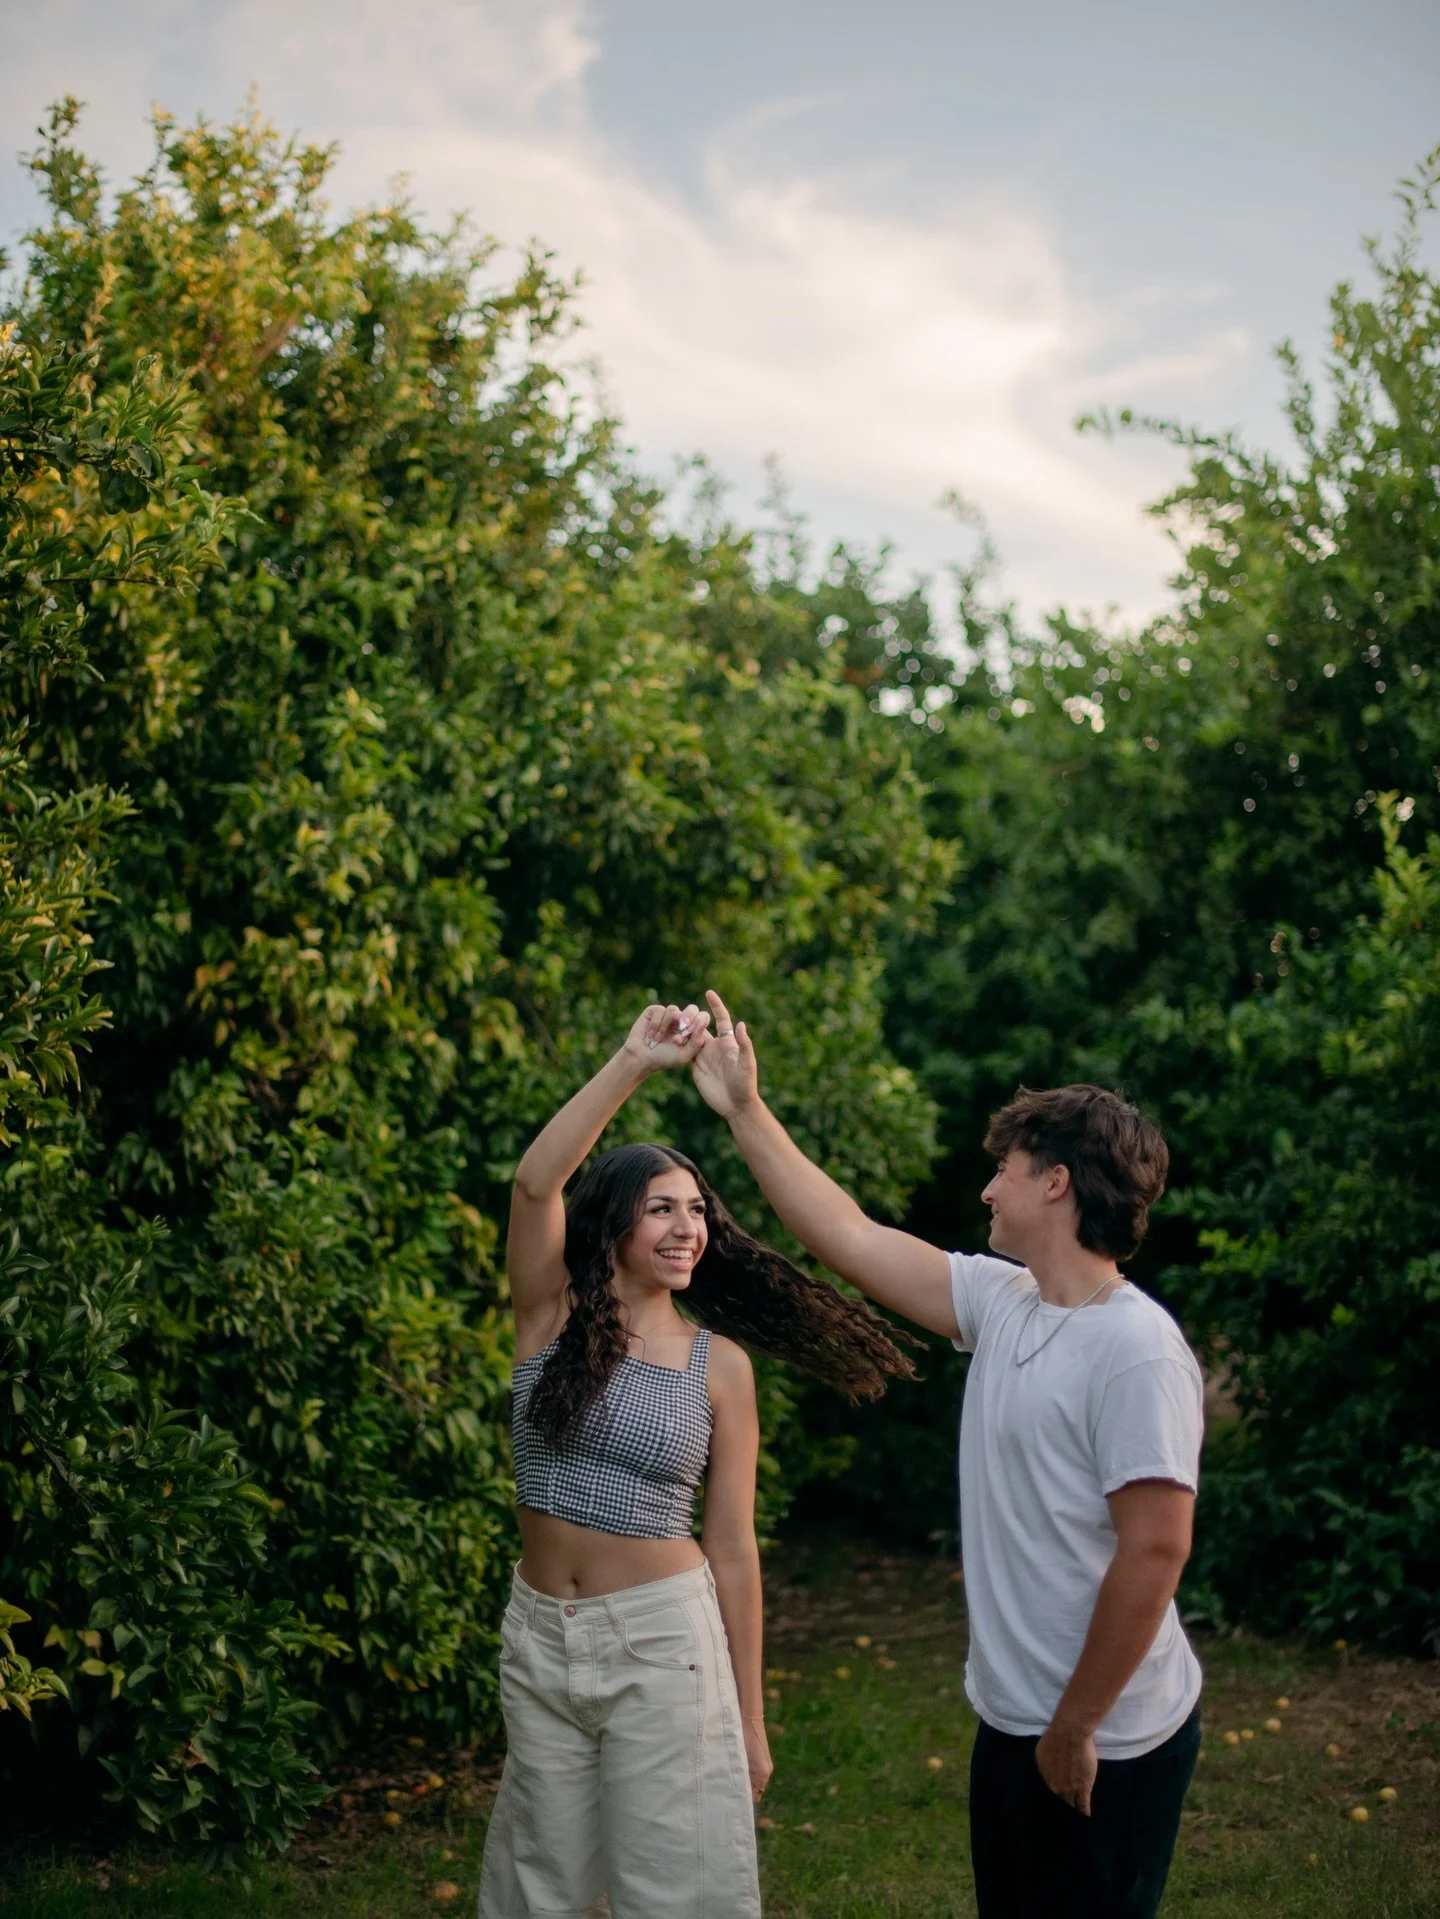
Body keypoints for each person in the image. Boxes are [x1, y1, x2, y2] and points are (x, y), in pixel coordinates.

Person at [689, 990, 1205, 1919]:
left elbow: (1158, 1548)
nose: (985, 1190)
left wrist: (1077, 1724)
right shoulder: (1003, 1300)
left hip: (1108, 1735)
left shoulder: (1137, 1347)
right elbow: (846, 1234)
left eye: (1002, 1169)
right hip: (1013, 1721)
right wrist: (742, 1109)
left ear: (1055, 1182)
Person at [478, 1000, 917, 1919]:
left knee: (669, 1885)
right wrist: (634, 1059)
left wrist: (750, 1719)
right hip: (542, 1637)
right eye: (661, 1209)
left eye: (698, 1212)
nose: (688, 1228)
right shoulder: (547, 1317)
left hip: (663, 1642)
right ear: (613, 1225)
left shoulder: (720, 1367)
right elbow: (532, 1184)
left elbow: (734, 1550)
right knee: (541, 1884)